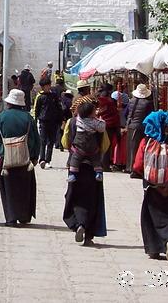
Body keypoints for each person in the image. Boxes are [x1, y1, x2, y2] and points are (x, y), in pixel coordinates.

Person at [134, 110, 168, 261]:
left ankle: (154, 249)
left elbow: (137, 165)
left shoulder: (145, 141)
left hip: (152, 188)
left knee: (151, 217)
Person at [62, 98, 110, 246]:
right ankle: (89, 234)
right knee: (92, 199)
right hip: (93, 168)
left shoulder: (72, 122)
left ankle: (78, 224)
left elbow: (65, 142)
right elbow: (105, 145)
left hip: (75, 167)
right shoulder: (97, 124)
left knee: (74, 196)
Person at [0, 89, 40, 227]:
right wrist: (35, 157)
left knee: (8, 189)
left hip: (6, 158)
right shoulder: (28, 118)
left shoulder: (3, 116)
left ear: (9, 103)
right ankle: (24, 216)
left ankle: (11, 218)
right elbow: (36, 139)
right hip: (25, 159)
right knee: (25, 188)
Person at [68, 101, 106, 182]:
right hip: (93, 149)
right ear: (90, 113)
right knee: (96, 160)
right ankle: (99, 173)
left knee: (75, 159)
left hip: (79, 148)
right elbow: (102, 128)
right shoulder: (95, 122)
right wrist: (101, 120)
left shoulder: (77, 120)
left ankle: (72, 174)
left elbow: (65, 141)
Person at [33, 77, 65, 169]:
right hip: (43, 122)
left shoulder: (54, 96)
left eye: (49, 85)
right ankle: (42, 159)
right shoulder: (40, 97)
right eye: (46, 86)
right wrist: (35, 121)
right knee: (43, 141)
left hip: (54, 122)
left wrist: (61, 119)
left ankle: (48, 160)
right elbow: (36, 110)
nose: (48, 87)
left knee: (51, 142)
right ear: (42, 87)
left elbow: (59, 108)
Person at [125, 83, 155, 179]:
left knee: (130, 147)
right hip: (140, 127)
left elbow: (126, 113)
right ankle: (134, 169)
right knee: (137, 148)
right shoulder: (147, 103)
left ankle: (129, 167)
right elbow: (150, 116)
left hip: (130, 125)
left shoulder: (131, 101)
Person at [97, 84, 122, 171]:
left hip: (99, 125)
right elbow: (115, 116)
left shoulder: (98, 101)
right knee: (107, 146)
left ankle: (100, 164)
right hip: (109, 126)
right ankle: (105, 166)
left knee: (101, 145)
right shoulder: (110, 102)